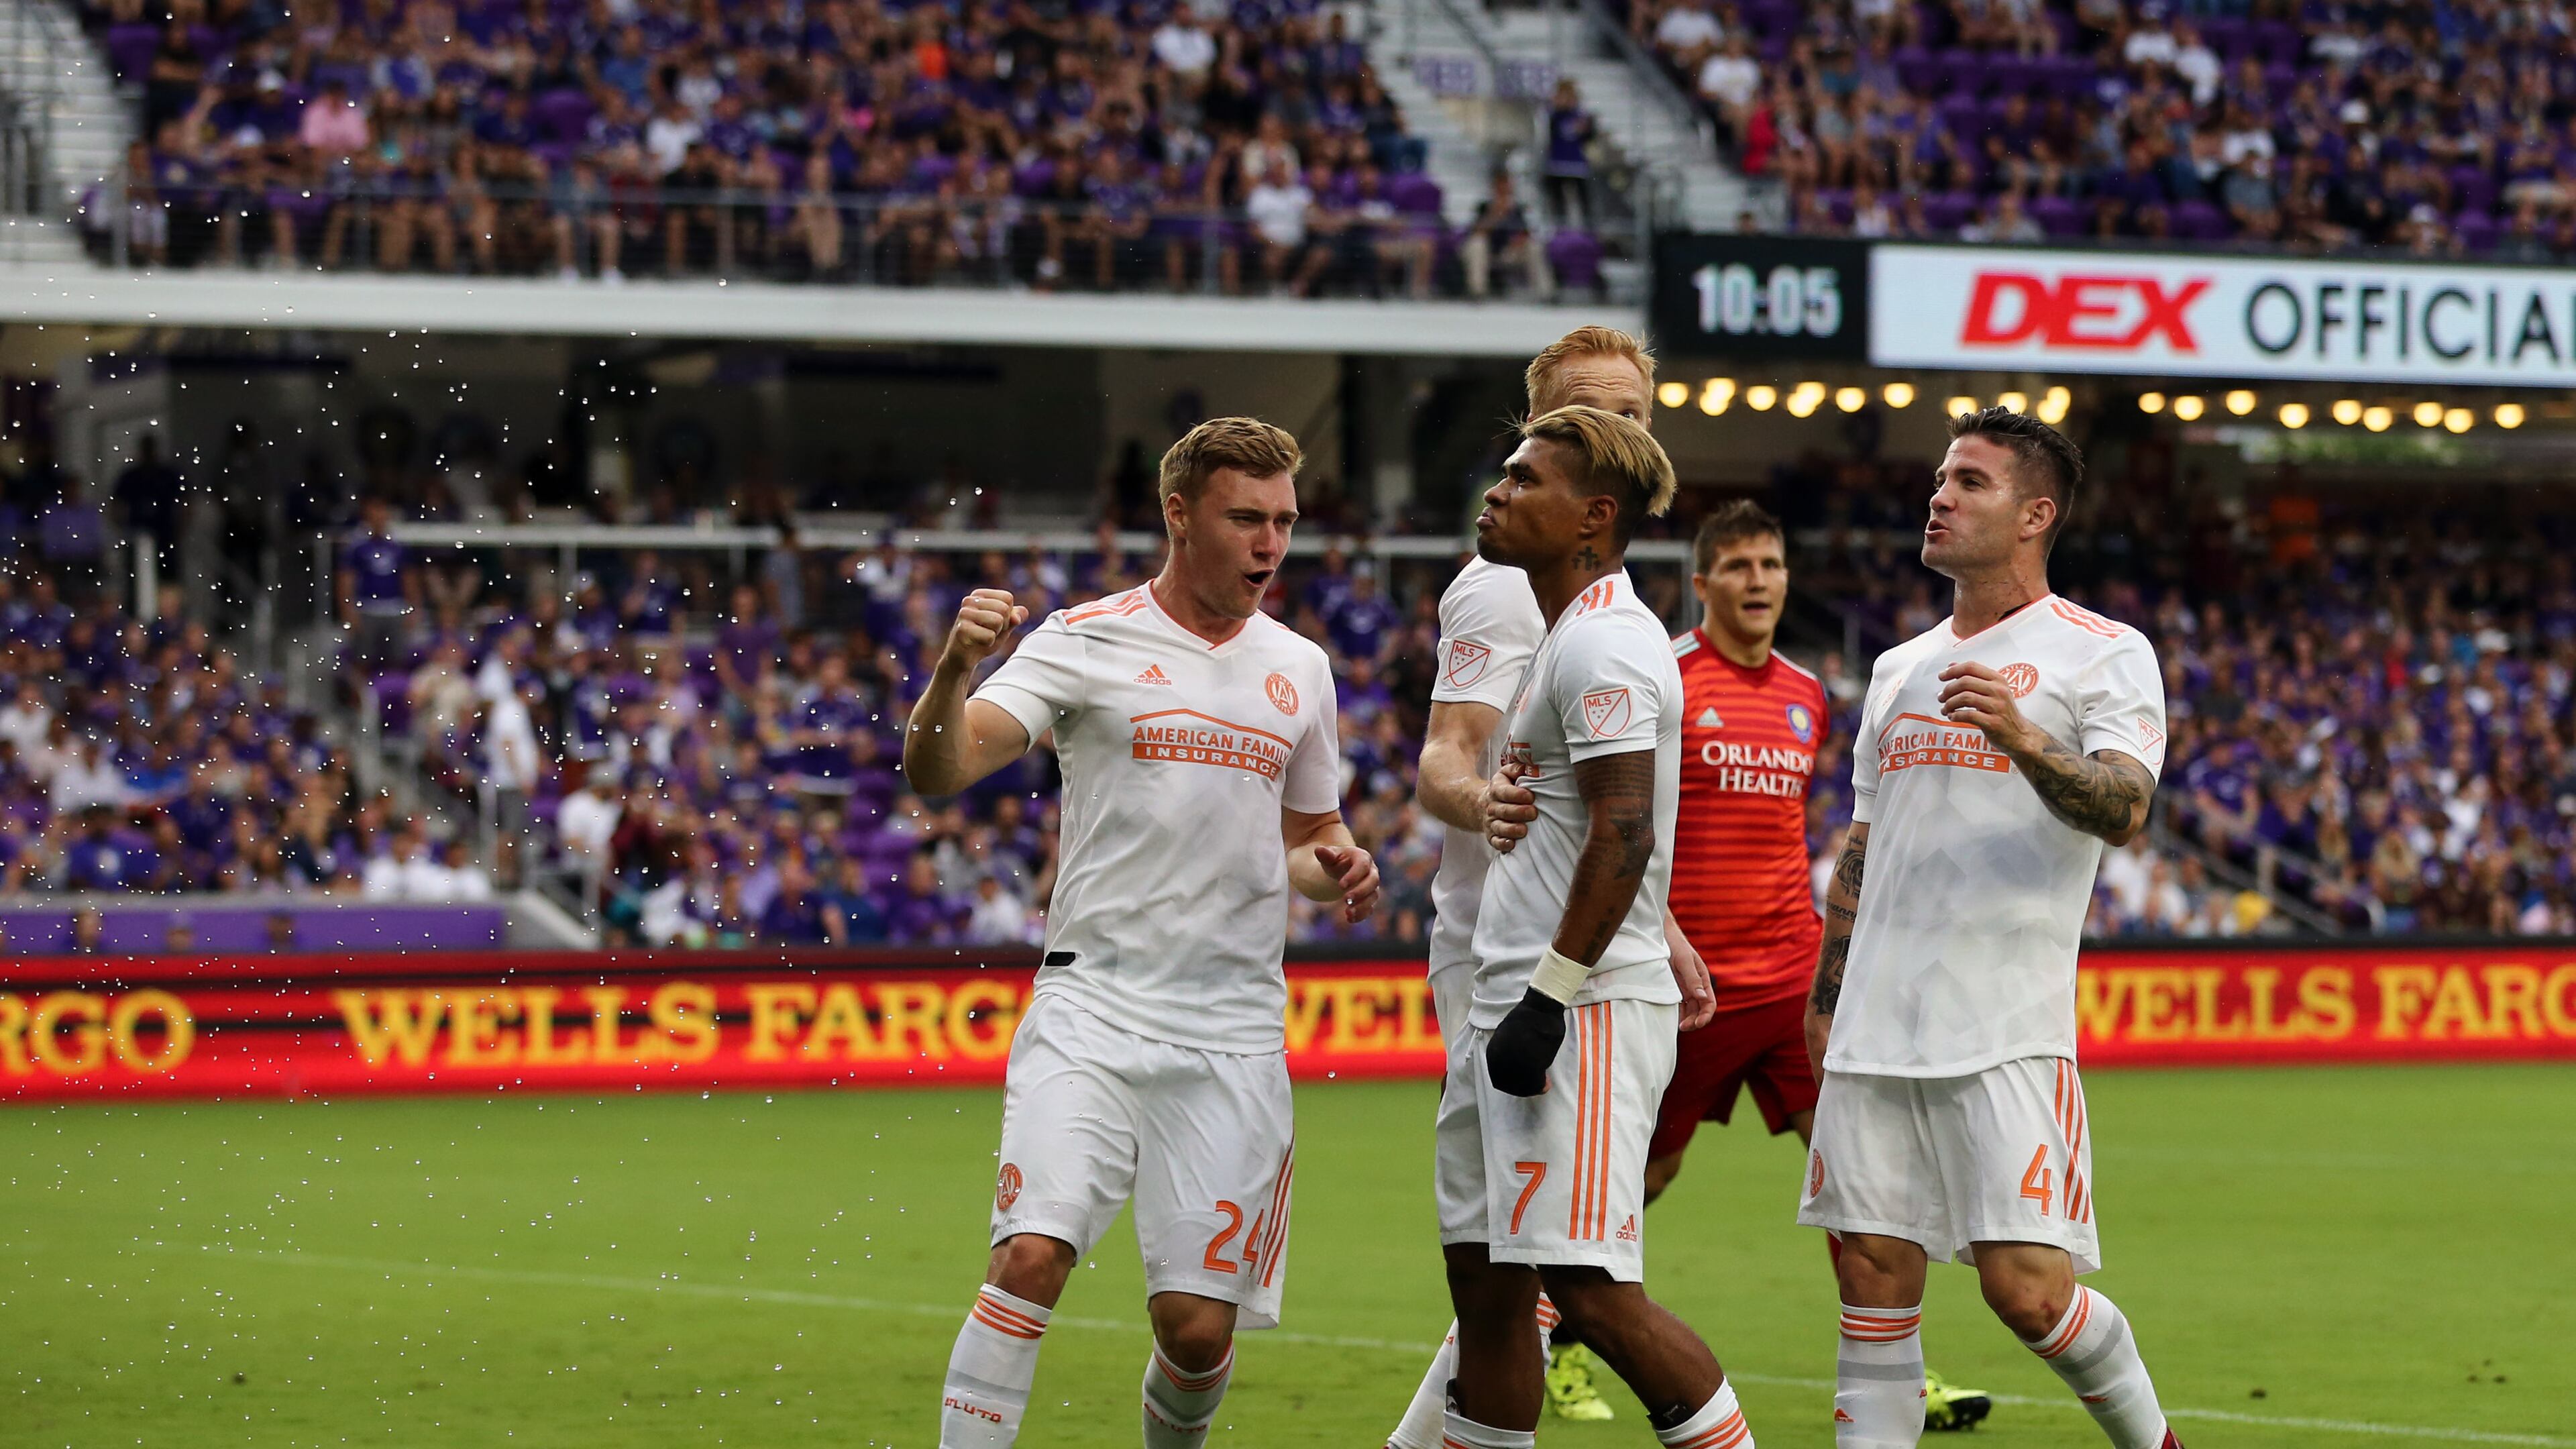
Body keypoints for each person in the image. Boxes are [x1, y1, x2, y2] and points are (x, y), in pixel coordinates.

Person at [905, 417, 1381, 1448]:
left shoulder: (1300, 667)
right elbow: (941, 770)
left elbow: (1308, 833)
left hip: (1232, 1026)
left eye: (1285, 521)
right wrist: (952, 671)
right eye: (1245, 518)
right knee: (1030, 1258)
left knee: (1198, 1329)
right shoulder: (1084, 637)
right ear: (1179, 514)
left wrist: (1336, 862)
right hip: (1095, 1002)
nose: (1270, 543)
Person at [1800, 407, 2181, 1449]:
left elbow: (2124, 806)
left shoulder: (2104, 653)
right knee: (1872, 1274)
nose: (1941, 495)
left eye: (1970, 481)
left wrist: (2020, 737)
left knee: (2027, 1294)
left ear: (2034, 515)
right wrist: (1826, 997)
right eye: (1941, 478)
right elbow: (1864, 846)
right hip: (1876, 1022)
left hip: (2003, 1024)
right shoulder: (1897, 669)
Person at [1385, 327, 1713, 1441]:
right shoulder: (1504, 591)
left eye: (1624, 411)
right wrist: (1486, 806)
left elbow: (1619, 824)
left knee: (1570, 1281)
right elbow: (1453, 760)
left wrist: (1593, 961)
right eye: (1569, 417)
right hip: (1498, 944)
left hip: (1562, 982)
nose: (1604, 428)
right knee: (1491, 1278)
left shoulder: (1608, 630)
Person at [1648, 501, 1994, 1431]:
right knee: (1637, 1183)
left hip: (1795, 980)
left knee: (1859, 1178)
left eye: (1772, 563)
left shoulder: (1807, 693)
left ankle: (1901, 1374)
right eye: (1740, 566)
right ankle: (1548, 1340)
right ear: (1705, 582)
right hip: (1690, 989)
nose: (1759, 580)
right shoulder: (1669, 681)